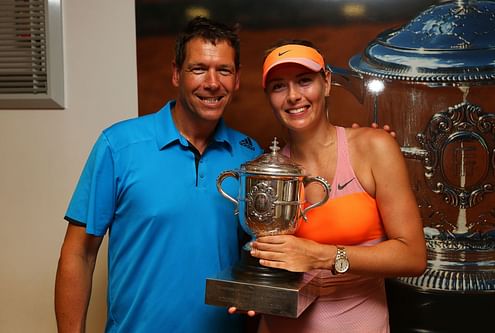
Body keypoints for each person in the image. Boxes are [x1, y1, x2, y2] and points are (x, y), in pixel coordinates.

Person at [54, 17, 263, 333]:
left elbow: (259, 256)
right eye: (198, 69)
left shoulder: (250, 156)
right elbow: (79, 252)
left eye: (224, 70)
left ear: (236, 80)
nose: (212, 82)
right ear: (176, 73)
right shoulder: (119, 146)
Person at [248, 40, 427, 332]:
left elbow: (413, 256)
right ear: (268, 96)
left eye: (304, 81)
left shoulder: (374, 148)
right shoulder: (267, 173)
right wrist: (248, 290)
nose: (293, 96)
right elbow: (267, 261)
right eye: (279, 86)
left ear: (327, 82)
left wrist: (323, 255)